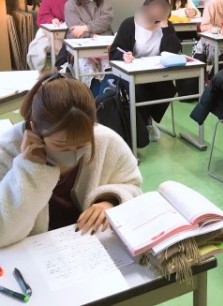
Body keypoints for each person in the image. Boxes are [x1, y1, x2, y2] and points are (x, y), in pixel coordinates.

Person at [0, 73, 142, 248]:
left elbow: (133, 188)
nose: (73, 154)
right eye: (61, 145)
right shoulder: (6, 151)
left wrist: (111, 202)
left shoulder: (105, 140)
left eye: (82, 144)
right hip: (32, 254)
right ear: (34, 128)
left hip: (89, 247)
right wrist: (28, 170)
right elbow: (3, 233)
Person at [110, 0, 181, 141]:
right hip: (132, 73)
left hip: (156, 72)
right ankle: (140, 126)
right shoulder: (130, 24)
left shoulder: (166, 26)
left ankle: (147, 120)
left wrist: (165, 27)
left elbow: (174, 51)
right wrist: (124, 56)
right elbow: (115, 50)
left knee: (168, 88)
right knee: (139, 92)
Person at [62, 0, 113, 86]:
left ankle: (106, 93)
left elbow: (106, 20)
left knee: (109, 67)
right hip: (81, 45)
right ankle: (92, 93)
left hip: (104, 44)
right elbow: (75, 30)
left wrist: (86, 28)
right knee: (87, 69)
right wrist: (92, 35)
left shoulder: (104, 1)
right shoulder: (71, 4)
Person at [27, 0, 73, 70]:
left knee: (70, 49)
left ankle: (67, 69)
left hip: (70, 32)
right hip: (50, 32)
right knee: (37, 48)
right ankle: (40, 73)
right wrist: (51, 19)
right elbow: (41, 17)